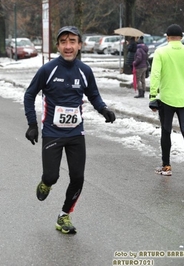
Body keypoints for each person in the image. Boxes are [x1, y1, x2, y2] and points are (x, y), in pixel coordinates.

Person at [23, 26, 116, 234]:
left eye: (72, 41)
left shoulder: (85, 71)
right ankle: (46, 183)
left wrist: (103, 109)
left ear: (79, 45)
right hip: (52, 133)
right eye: (64, 42)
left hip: (76, 133)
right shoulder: (48, 70)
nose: (68, 46)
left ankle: (64, 215)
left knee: (78, 178)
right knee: (51, 176)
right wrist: (32, 124)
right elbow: (30, 95)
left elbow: (93, 95)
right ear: (58, 46)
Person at [149, 24, 184, 181]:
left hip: (166, 99)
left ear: (167, 37)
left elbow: (155, 75)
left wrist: (153, 96)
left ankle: (166, 166)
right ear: (182, 37)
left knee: (166, 130)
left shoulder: (161, 52)